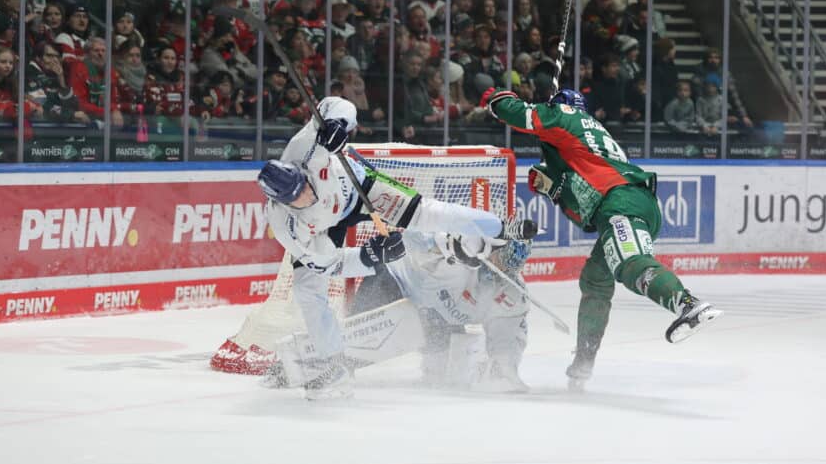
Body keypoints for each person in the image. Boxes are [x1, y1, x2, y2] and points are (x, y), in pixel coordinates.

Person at [256, 95, 536, 399]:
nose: (307, 196)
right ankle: (333, 365)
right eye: (297, 198)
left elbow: (336, 105)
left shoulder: (303, 148)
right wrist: (369, 256)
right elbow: (328, 263)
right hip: (326, 231)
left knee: (426, 212)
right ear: (281, 202)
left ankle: (499, 227)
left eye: (305, 186)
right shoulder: (286, 227)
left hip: (359, 189)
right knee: (307, 289)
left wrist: (338, 123)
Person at [481, 86, 722, 391]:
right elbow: (585, 212)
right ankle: (583, 362)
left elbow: (521, 115)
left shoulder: (566, 115)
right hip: (624, 202)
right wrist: (555, 188)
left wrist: (497, 98)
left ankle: (687, 304)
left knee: (628, 263)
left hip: (621, 202)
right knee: (595, 279)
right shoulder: (586, 140)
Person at [256, 230, 533, 393]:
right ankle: (299, 366)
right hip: (396, 282)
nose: (502, 266)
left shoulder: (511, 295)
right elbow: (411, 236)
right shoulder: (467, 242)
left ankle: (316, 364)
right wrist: (446, 245)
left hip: (436, 316)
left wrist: (504, 368)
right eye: (500, 256)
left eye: (511, 263)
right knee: (359, 339)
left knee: (440, 376)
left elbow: (506, 342)